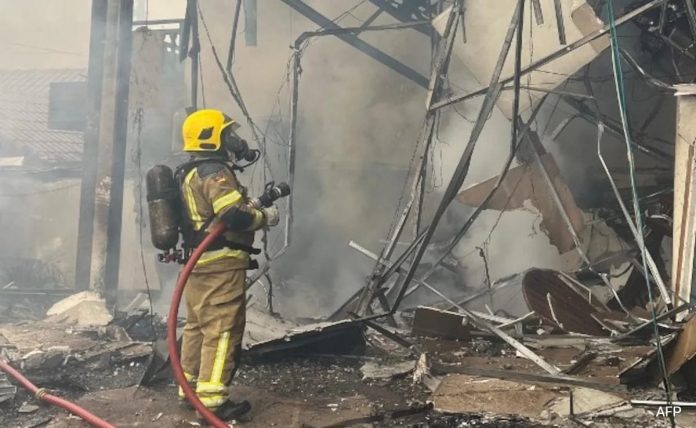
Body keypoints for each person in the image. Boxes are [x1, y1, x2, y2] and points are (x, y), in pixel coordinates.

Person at [175, 109, 279, 421]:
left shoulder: (190, 172)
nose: (233, 140)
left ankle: (189, 389)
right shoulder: (214, 172)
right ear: (210, 138)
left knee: (197, 326)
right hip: (220, 263)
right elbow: (233, 216)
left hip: (199, 263)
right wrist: (264, 217)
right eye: (227, 134)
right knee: (222, 329)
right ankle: (212, 401)